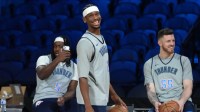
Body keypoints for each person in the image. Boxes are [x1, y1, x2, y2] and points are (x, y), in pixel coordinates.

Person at [76, 4, 127, 112]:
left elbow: (101, 72)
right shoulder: (85, 43)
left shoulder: (101, 39)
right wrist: (88, 106)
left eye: (97, 14)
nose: (95, 18)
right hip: (90, 102)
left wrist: (114, 95)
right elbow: (82, 77)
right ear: (84, 20)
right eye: (90, 15)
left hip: (101, 98)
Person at [144, 28, 195, 112]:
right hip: (161, 103)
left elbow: (188, 87)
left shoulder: (183, 60)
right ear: (159, 43)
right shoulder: (149, 64)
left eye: (173, 41)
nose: (172, 44)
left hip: (182, 102)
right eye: (168, 41)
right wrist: (155, 102)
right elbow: (150, 90)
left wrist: (181, 102)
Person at [32, 36, 78, 112]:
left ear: (67, 48)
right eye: (55, 46)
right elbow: (42, 75)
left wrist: (64, 98)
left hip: (62, 99)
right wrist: (58, 59)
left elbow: (71, 90)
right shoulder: (44, 59)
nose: (56, 49)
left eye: (60, 47)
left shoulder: (74, 67)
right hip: (43, 98)